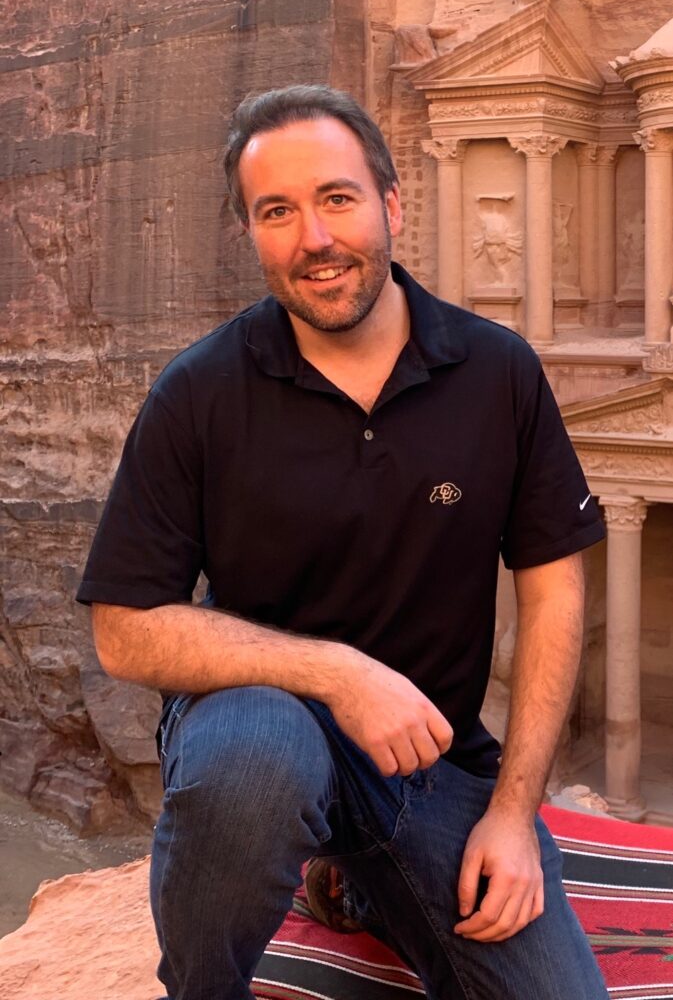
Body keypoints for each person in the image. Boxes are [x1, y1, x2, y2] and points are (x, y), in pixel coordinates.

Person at [77, 85, 609, 1000]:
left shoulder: (497, 373)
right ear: (251, 233)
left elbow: (552, 586)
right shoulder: (200, 392)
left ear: (390, 204)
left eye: (336, 197)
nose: (313, 239)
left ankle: (348, 872)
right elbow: (124, 630)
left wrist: (515, 815)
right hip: (254, 732)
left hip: (425, 765)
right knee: (261, 754)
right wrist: (341, 674)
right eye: (276, 212)